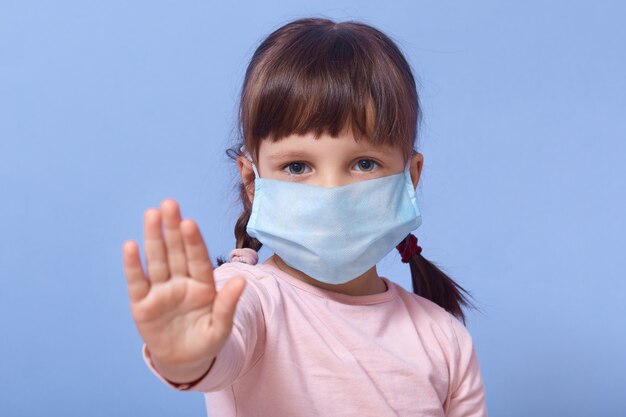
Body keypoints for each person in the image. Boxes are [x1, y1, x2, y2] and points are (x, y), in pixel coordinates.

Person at [122, 17, 488, 417]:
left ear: (410, 178)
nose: (331, 192)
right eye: (297, 167)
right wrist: (185, 355)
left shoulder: (444, 338)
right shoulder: (244, 298)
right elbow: (216, 351)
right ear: (251, 180)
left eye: (364, 163)